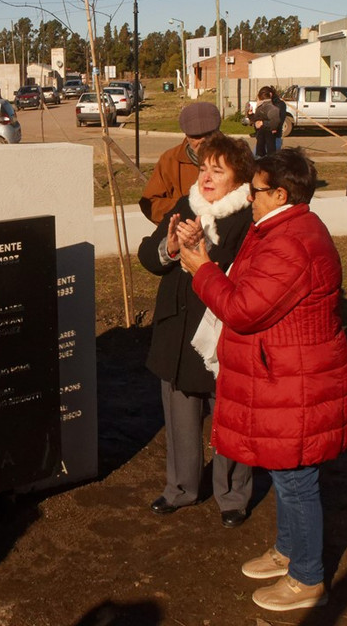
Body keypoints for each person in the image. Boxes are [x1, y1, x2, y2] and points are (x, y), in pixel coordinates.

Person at [179, 148, 347, 612]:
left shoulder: (290, 241)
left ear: (280, 193)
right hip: (283, 374)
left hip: (293, 380)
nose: (249, 197)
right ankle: (288, 550)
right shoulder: (278, 227)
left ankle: (307, 578)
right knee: (284, 473)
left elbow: (243, 308)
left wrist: (202, 270)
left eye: (255, 190)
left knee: (297, 478)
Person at [138, 132, 255, 528]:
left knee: (232, 415)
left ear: (239, 179)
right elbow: (148, 256)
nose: (206, 176)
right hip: (178, 328)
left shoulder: (250, 215)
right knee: (181, 414)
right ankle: (180, 489)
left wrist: (202, 250)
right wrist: (170, 246)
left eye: (217, 170)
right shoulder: (187, 204)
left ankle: (232, 495)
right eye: (204, 167)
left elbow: (249, 271)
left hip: (224, 330)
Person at [139, 102, 222, 224]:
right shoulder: (170, 159)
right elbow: (150, 203)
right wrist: (188, 208)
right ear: (187, 136)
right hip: (183, 233)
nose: (203, 141)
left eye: (209, 135)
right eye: (196, 137)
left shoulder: (236, 156)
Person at [252, 86, 282, 158]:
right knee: (260, 155)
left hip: (272, 138)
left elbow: (275, 122)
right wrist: (251, 116)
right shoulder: (260, 107)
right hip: (261, 137)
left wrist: (263, 123)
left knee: (270, 155)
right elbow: (256, 120)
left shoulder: (274, 107)